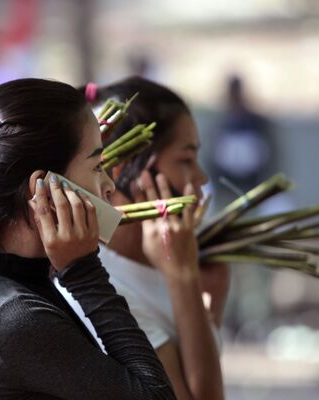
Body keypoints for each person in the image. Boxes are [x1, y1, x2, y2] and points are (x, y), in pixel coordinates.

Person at [0, 78, 176, 399]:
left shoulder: (8, 290)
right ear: (43, 187)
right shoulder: (14, 316)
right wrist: (84, 271)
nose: (109, 187)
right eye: (97, 165)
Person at [75, 76, 228, 400]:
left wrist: (210, 303)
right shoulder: (105, 287)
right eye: (185, 160)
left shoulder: (166, 257)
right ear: (120, 171)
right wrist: (182, 277)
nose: (201, 178)